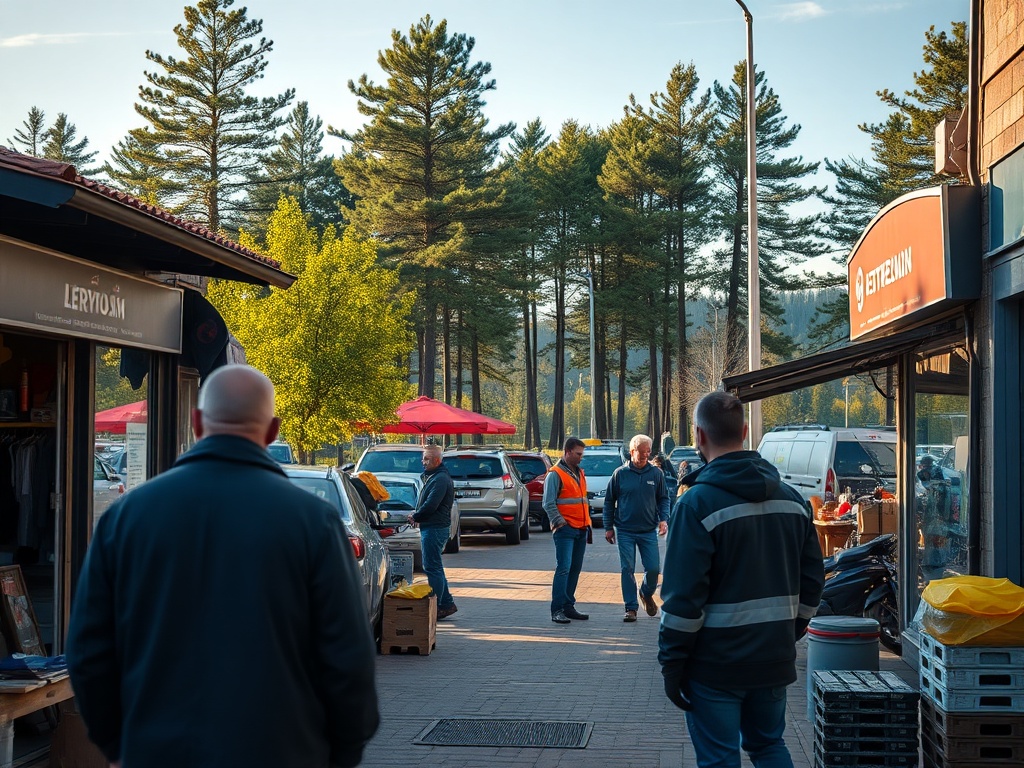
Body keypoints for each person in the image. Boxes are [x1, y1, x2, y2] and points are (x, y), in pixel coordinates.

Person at [66, 365, 379, 768]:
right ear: (271, 430)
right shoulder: (313, 524)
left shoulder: (127, 518)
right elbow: (348, 658)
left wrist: (120, 744)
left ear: (197, 423)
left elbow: (90, 651)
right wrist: (340, 752)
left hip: (157, 751)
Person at [659, 391, 824, 768]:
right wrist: (791, 629)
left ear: (699, 436)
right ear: (746, 432)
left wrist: (672, 665)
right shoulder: (794, 501)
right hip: (773, 658)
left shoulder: (695, 505)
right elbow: (813, 579)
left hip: (714, 665)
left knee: (719, 759)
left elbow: (684, 601)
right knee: (769, 747)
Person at [605, 434, 670, 622]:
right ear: (632, 451)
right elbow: (610, 501)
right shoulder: (620, 474)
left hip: (648, 530)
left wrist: (663, 519)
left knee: (653, 568)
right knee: (627, 568)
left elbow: (664, 498)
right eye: (642, 452)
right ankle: (631, 608)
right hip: (625, 530)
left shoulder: (656, 474)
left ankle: (645, 592)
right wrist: (608, 526)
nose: (645, 456)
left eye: (648, 452)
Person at [543, 437, 592, 624]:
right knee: (563, 568)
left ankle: (568, 606)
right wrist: (560, 522)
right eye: (578, 454)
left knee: (575, 569)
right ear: (568, 452)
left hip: (580, 528)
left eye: (582, 454)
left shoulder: (579, 472)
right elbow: (548, 503)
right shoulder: (555, 474)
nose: (581, 458)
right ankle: (557, 610)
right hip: (566, 530)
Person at [408, 444, 458, 619]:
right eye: (423, 458)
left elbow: (431, 504)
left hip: (435, 528)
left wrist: (417, 516)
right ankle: (446, 603)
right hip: (432, 526)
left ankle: (436, 606)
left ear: (437, 460)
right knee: (435, 567)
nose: (423, 462)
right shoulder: (434, 477)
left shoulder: (440, 479)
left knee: (432, 567)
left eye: (427, 458)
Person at [917, 454, 952, 582]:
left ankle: (935, 561)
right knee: (931, 540)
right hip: (934, 518)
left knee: (936, 540)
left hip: (937, 518)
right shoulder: (931, 481)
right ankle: (932, 560)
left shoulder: (939, 485)